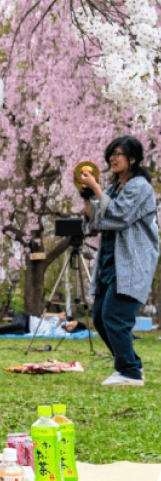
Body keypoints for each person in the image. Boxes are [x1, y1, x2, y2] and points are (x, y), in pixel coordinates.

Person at [80, 135, 158, 387]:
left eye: (119, 154)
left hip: (132, 262)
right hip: (109, 261)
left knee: (115, 316)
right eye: (110, 154)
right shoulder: (114, 189)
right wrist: (86, 198)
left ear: (133, 159)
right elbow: (94, 224)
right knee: (101, 318)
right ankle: (129, 365)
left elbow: (118, 215)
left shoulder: (140, 187)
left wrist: (97, 189)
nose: (113, 158)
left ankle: (130, 372)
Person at [0, 312, 87, 336]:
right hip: (25, 318)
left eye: (72, 327)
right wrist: (58, 315)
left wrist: (59, 322)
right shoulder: (62, 319)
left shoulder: (62, 333)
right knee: (19, 326)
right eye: (71, 322)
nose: (69, 325)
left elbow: (51, 331)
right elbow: (43, 314)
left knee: (20, 331)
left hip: (27, 330)